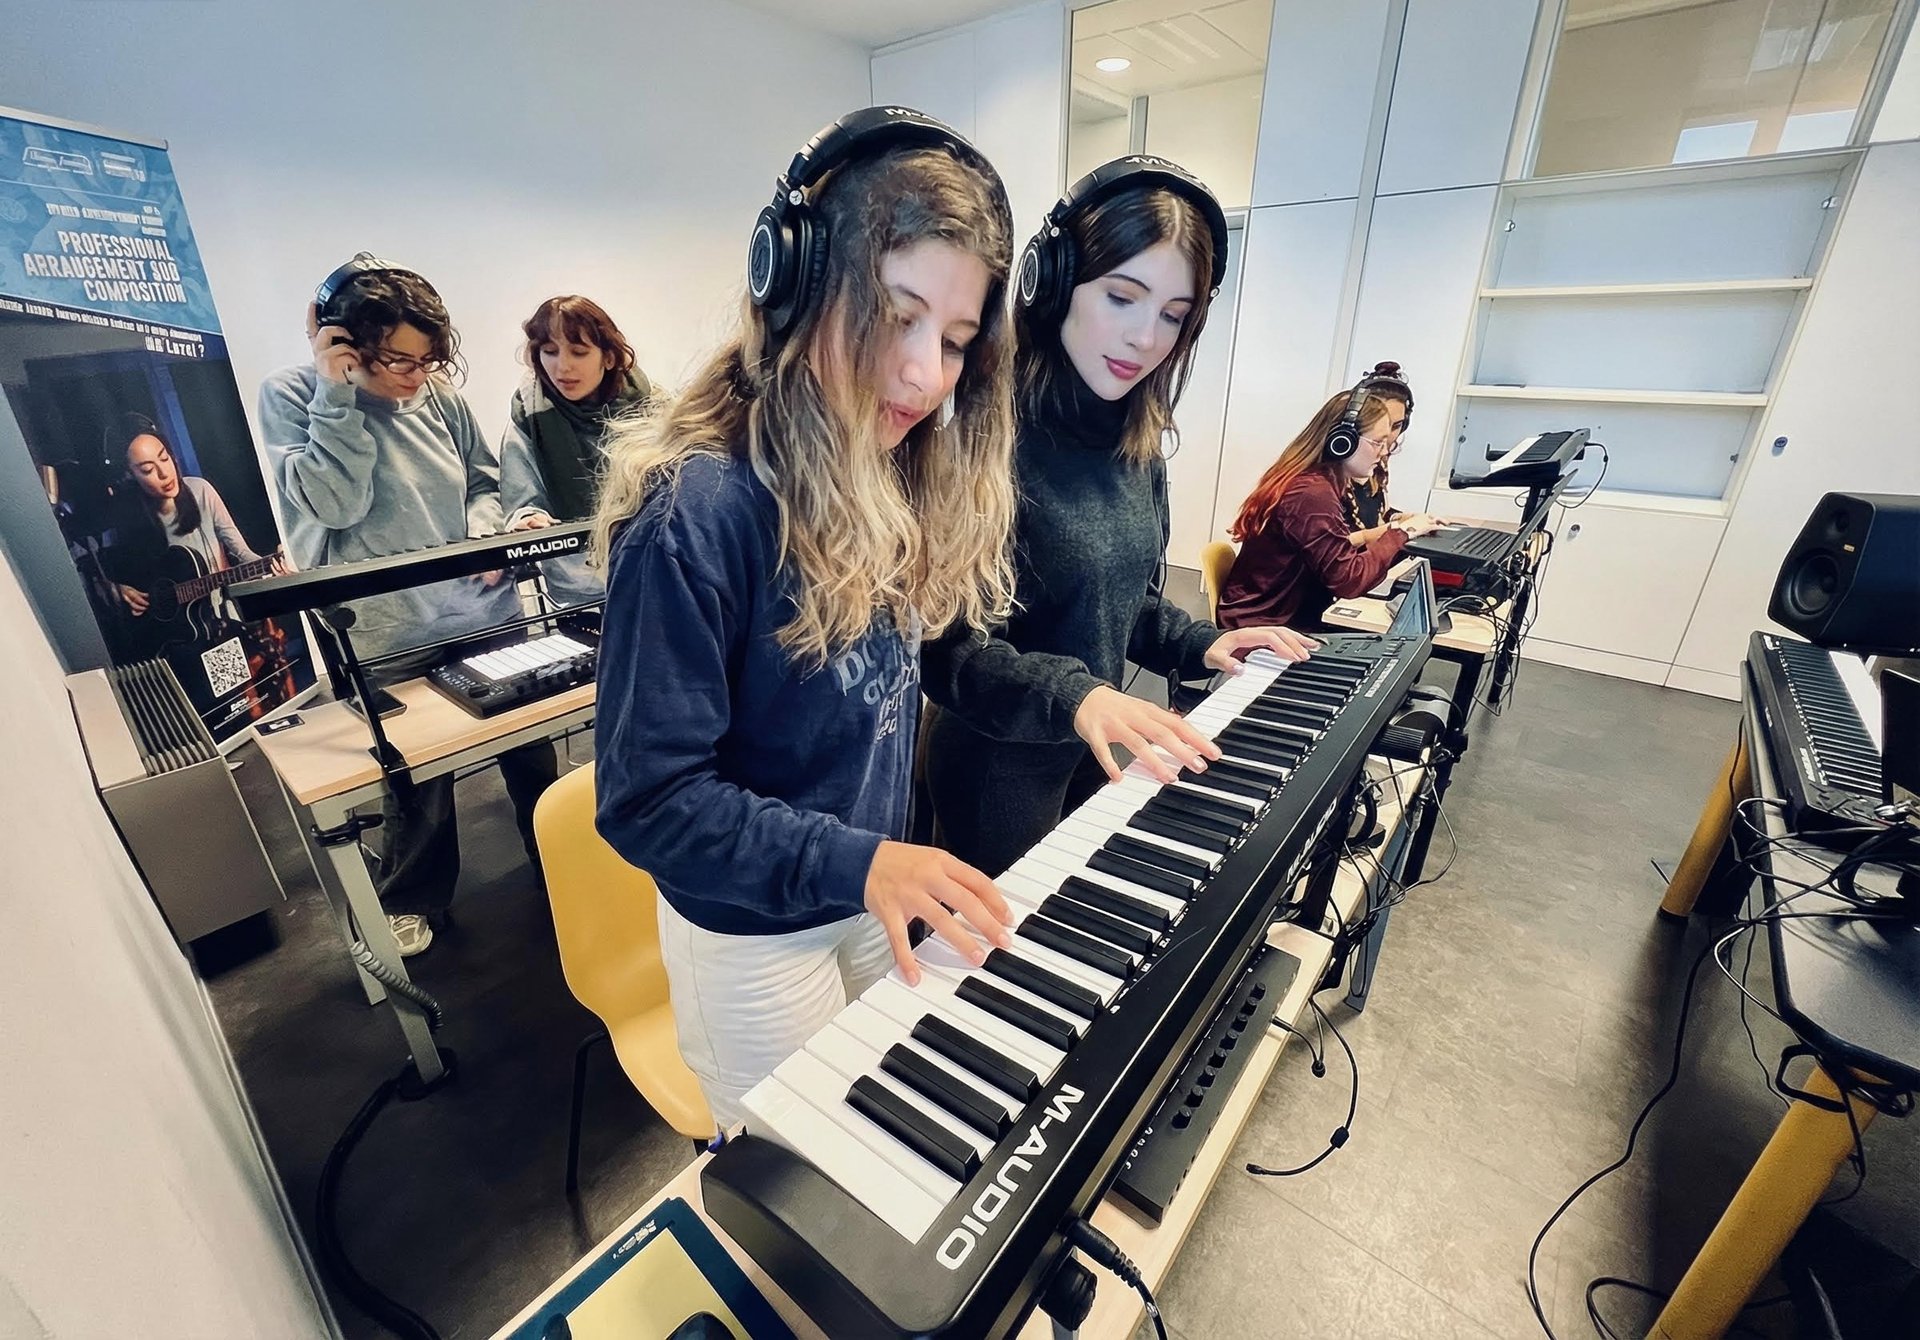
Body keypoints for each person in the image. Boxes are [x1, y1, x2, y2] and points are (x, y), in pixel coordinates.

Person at [591, 108, 1021, 1131]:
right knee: (802, 1189)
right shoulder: (695, 511)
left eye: (956, 341)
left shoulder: (889, 462)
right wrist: (862, 861)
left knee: (891, 1137)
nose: (926, 373)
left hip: (869, 889)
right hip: (753, 936)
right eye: (894, 314)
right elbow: (649, 799)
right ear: (794, 281)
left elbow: (929, 655)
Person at [919, 157, 1318, 879]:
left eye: (1173, 316)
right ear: (1054, 285)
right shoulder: (980, 437)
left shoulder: (1136, 442)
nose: (1146, 339)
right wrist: (1079, 695)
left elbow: (1122, 605)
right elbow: (946, 654)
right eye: (1123, 298)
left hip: (1091, 742)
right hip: (997, 772)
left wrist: (1207, 643)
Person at [259, 256, 557, 957]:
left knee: (530, 752)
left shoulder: (442, 399)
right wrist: (337, 400)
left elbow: (487, 483)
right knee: (414, 780)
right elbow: (334, 504)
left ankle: (557, 858)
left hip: (480, 613)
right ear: (343, 342)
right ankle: (413, 897)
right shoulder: (295, 394)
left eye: (427, 360)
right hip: (384, 630)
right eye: (395, 359)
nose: (414, 376)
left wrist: (487, 536)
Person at [1216, 375, 1446, 633]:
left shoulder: (1322, 481)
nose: (1384, 452)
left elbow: (1334, 547)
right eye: (1377, 442)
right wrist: (1403, 533)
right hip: (1266, 627)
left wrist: (1394, 529)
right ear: (1342, 442)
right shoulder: (1312, 493)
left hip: (1288, 616)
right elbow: (1349, 581)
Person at [500, 295, 654, 606]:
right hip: (576, 590)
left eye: (579, 352)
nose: (563, 366)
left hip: (648, 578)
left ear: (608, 357)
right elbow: (521, 501)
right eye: (549, 352)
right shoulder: (528, 414)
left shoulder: (654, 407)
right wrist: (528, 519)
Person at [104, 415, 282, 628]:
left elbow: (242, 553)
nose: (164, 473)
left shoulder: (200, 490)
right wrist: (116, 590)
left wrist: (275, 564)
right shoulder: (126, 520)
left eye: (164, 458)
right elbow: (101, 576)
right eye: (147, 470)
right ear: (129, 477)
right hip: (178, 634)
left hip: (228, 621)